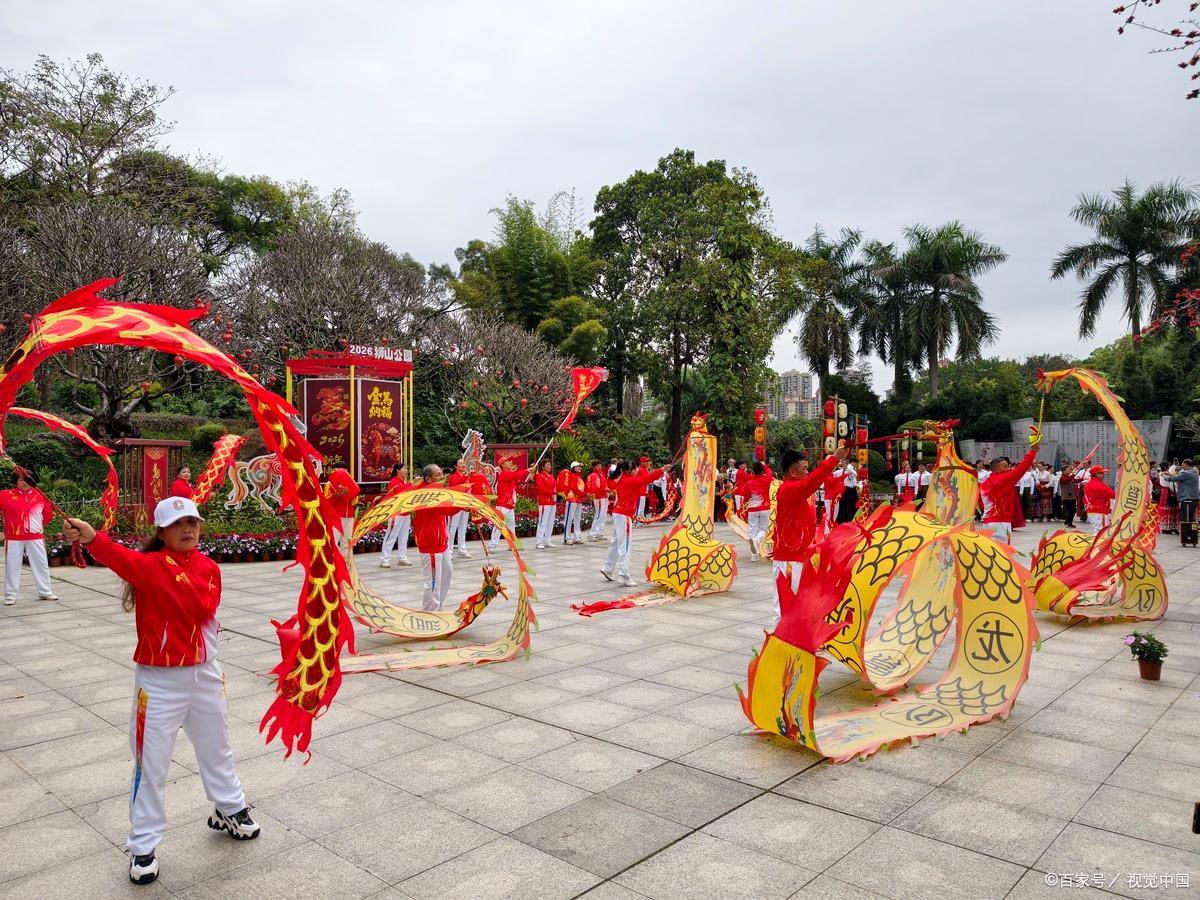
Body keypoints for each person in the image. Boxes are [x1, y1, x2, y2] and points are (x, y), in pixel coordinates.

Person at [62, 499, 259, 886]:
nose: (187, 529)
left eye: (192, 522)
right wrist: (91, 537)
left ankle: (230, 808)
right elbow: (116, 556)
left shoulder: (210, 568)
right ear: (162, 531)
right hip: (159, 683)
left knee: (217, 748)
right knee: (151, 764)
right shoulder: (149, 567)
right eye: (177, 523)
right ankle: (142, 845)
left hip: (205, 675)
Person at [772, 446, 849, 623]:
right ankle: (782, 639)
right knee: (786, 610)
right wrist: (834, 459)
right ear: (792, 472)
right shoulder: (788, 490)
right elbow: (810, 483)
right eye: (804, 468)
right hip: (789, 561)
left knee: (797, 607)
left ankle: (793, 638)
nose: (807, 472)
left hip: (797, 557)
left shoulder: (795, 492)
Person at [602, 460, 664, 587]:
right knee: (625, 545)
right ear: (629, 471)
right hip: (624, 514)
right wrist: (662, 470)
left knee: (616, 542)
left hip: (618, 513)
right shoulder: (630, 480)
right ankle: (624, 575)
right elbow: (647, 479)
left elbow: (611, 483)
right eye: (635, 469)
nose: (637, 471)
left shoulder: (622, 478)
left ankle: (608, 568)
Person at [0, 468, 58, 605]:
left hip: (35, 537)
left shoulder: (40, 496)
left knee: (41, 563)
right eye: (21, 479)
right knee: (12, 566)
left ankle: (45, 591)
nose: (24, 482)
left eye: (27, 480)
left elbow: (48, 515)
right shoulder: (5, 495)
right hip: (14, 538)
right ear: (16, 481)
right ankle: (10, 595)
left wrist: (35, 526)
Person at [411, 464, 461, 610]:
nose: (442, 477)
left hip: (442, 542)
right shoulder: (426, 495)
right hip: (431, 544)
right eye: (438, 475)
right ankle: (429, 612)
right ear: (428, 478)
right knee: (433, 581)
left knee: (447, 573)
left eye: (441, 474)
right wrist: (463, 504)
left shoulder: (437, 492)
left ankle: (438, 605)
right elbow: (447, 510)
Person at [979, 427, 1041, 544]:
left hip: (988, 521)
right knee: (1001, 550)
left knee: (990, 550)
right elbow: (1021, 469)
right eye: (1005, 467)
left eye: (1008, 466)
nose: (1008, 469)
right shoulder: (1003, 478)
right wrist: (1033, 450)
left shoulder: (985, 482)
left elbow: (980, 502)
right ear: (996, 468)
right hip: (999, 522)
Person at [488, 457, 530, 550]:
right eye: (507, 461)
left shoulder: (509, 475)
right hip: (502, 505)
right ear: (502, 465)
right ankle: (492, 545)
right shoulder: (504, 474)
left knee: (511, 526)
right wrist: (527, 470)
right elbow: (515, 475)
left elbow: (513, 490)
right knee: (499, 526)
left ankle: (512, 545)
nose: (510, 462)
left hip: (509, 505)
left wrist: (520, 487)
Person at [737, 461, 774, 561]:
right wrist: (764, 465)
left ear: (753, 471)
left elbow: (745, 497)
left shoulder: (749, 483)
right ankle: (756, 541)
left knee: (752, 530)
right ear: (762, 471)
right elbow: (770, 472)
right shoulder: (767, 479)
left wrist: (741, 509)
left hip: (753, 509)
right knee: (763, 529)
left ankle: (754, 556)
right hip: (765, 508)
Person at [379, 463, 413, 568]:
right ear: (398, 470)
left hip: (406, 512)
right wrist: (412, 485)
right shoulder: (393, 482)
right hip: (396, 513)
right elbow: (401, 492)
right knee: (391, 536)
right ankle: (384, 559)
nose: (406, 471)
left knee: (404, 536)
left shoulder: (405, 482)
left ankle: (402, 557)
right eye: (404, 469)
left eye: (406, 469)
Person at [323, 463, 360, 557]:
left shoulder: (351, 484)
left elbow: (355, 501)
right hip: (335, 517)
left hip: (348, 517)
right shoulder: (329, 484)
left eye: (345, 472)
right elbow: (326, 501)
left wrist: (348, 493)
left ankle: (345, 563)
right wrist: (336, 495)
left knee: (346, 544)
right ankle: (333, 562)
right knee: (333, 542)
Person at [1162, 459, 1198, 547]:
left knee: (1185, 518)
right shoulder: (1195, 472)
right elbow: (1180, 478)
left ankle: (1186, 537)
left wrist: (1164, 476)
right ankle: (1193, 538)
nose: (1181, 465)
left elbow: (1175, 479)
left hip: (1187, 498)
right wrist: (1170, 474)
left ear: (1186, 464)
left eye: (1182, 464)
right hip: (1194, 498)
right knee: (1191, 518)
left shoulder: (1185, 473)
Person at [447, 461, 474, 560]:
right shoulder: (453, 477)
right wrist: (466, 477)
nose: (463, 465)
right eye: (460, 463)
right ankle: (449, 551)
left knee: (463, 527)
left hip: (465, 504)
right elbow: (456, 487)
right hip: (456, 505)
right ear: (455, 466)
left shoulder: (466, 477)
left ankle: (462, 549)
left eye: (464, 463)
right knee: (452, 528)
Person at [1083, 465, 1116, 535]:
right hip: (1099, 510)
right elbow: (1112, 494)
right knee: (1102, 532)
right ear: (1096, 474)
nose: (1103, 475)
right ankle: (1098, 542)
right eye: (1101, 473)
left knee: (1097, 530)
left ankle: (1096, 541)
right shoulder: (1097, 484)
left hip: (1092, 510)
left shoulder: (1090, 483)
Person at [558, 462, 586, 544]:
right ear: (573, 467)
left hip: (579, 500)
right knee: (569, 519)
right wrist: (584, 494)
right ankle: (567, 538)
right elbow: (574, 488)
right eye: (577, 466)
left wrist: (584, 494)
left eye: (580, 466)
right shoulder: (572, 476)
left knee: (577, 519)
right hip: (572, 499)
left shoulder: (579, 477)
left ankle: (577, 537)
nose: (579, 468)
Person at [534, 460, 558, 549]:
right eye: (547, 465)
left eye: (550, 465)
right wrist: (553, 492)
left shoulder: (551, 476)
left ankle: (548, 541)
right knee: (543, 522)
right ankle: (539, 542)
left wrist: (556, 493)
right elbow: (541, 489)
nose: (549, 466)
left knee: (550, 522)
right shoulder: (539, 476)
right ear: (542, 467)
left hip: (552, 502)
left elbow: (554, 487)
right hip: (544, 502)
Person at [586, 461, 610, 541]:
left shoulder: (602, 474)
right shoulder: (593, 475)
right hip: (598, 498)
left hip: (604, 497)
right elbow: (594, 488)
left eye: (600, 465)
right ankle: (592, 534)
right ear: (594, 467)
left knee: (603, 516)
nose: (600, 467)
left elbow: (605, 484)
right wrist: (605, 490)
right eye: (598, 466)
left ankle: (599, 533)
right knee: (598, 515)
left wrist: (607, 490)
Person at [835, 457, 859, 523]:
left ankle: (846, 519)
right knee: (845, 504)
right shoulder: (841, 471)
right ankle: (845, 519)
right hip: (845, 489)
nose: (856, 464)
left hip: (848, 489)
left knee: (847, 505)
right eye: (855, 463)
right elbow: (855, 474)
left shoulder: (850, 470)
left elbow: (855, 476)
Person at [1058, 463, 1078, 528]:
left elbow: (1075, 480)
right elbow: (1067, 480)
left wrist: (1083, 479)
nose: (1070, 470)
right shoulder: (1062, 478)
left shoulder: (1069, 477)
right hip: (1067, 497)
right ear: (1064, 471)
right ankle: (1069, 522)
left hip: (1072, 497)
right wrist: (1073, 474)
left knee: (1072, 510)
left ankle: (1068, 522)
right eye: (1068, 469)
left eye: (1070, 469)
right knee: (1071, 510)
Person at [634, 456, 652, 522]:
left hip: (643, 491)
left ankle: (640, 520)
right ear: (642, 462)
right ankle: (637, 521)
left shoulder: (644, 469)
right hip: (640, 491)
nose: (648, 463)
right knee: (639, 507)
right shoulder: (640, 470)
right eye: (646, 461)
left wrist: (646, 490)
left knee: (641, 507)